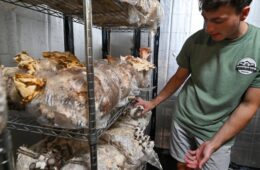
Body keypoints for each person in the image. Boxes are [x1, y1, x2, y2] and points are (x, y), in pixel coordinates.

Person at [135, 0, 260, 169]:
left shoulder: (256, 46)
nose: (208, 28)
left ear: (244, 13)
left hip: (218, 129)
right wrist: (153, 102)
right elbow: (179, 77)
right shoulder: (196, 40)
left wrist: (214, 144)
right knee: (182, 165)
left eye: (217, 20)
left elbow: (249, 104)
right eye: (205, 18)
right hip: (184, 119)